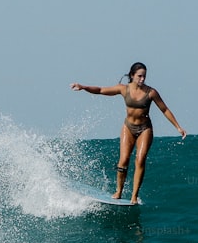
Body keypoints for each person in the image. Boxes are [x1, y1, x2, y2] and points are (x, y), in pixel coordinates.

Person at [71, 62, 186, 204]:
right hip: (128, 127)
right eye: (139, 76)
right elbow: (101, 90)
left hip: (145, 129)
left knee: (140, 159)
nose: (142, 79)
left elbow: (165, 109)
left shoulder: (151, 92)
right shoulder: (124, 89)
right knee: (124, 160)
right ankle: (119, 191)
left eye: (144, 76)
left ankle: (134, 196)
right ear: (132, 75)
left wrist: (178, 127)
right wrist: (83, 87)